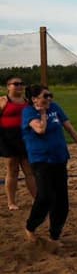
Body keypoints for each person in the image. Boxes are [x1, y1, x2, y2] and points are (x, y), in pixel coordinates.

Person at [22, 84, 77, 250]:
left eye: (50, 95)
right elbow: (40, 129)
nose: (49, 99)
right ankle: (31, 226)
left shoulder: (55, 107)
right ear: (34, 99)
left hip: (59, 158)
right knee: (45, 196)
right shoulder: (29, 112)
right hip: (41, 159)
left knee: (62, 201)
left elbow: (69, 127)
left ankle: (55, 234)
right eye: (45, 96)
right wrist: (43, 113)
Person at [0, 75, 37, 211]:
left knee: (29, 169)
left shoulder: (27, 101)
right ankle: (11, 202)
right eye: (16, 84)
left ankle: (36, 198)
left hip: (25, 136)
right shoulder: (3, 100)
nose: (20, 86)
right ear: (8, 86)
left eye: (21, 83)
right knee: (12, 169)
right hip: (8, 137)